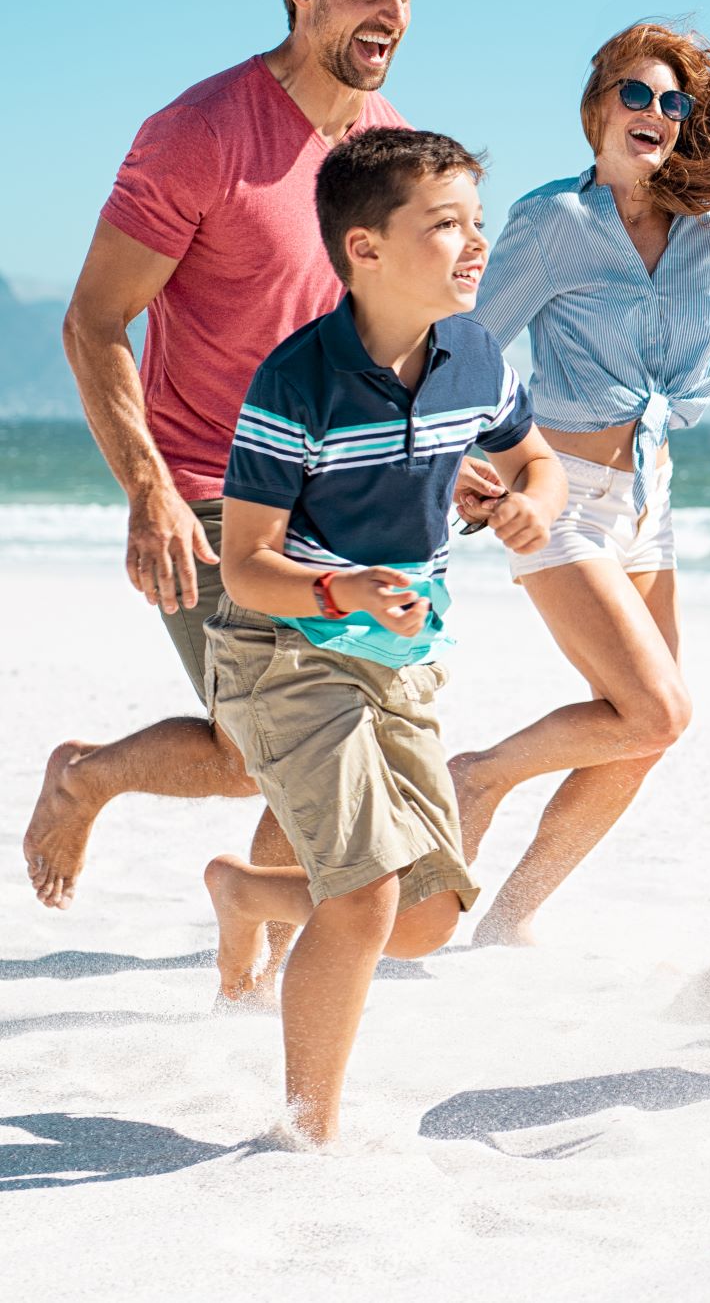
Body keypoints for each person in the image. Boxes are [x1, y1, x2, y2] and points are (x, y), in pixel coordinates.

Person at [25, 0, 455, 926]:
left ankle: (246, 943)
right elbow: (92, 321)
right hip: (215, 494)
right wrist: (149, 491)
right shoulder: (198, 133)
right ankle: (85, 778)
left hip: (342, 497)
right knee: (281, 744)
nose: (390, 17)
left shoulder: (384, 139)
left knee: (291, 747)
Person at [448, 22, 710, 944]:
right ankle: (477, 776)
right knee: (654, 706)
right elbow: (469, 342)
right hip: (554, 490)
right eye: (635, 95)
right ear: (598, 109)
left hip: (649, 502)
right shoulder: (551, 224)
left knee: (648, 732)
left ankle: (510, 918)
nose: (653, 113)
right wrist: (454, 454)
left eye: (671, 102)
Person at [201, 128, 563, 1146]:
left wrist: (532, 500)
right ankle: (304, 1133)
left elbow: (537, 461)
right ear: (363, 249)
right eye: (444, 224)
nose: (475, 244)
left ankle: (246, 891)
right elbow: (245, 562)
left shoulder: (476, 353)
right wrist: (341, 586)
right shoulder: (295, 383)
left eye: (477, 222)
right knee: (362, 896)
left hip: (402, 658)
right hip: (286, 647)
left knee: (428, 913)